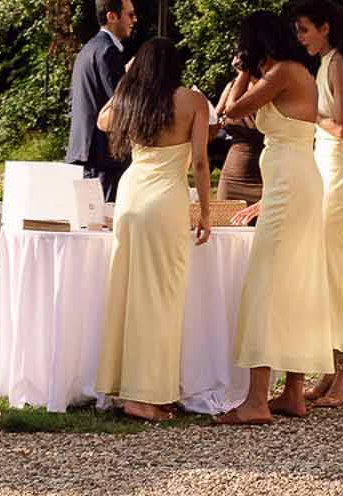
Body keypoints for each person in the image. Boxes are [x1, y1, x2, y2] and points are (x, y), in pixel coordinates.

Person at [214, 10, 332, 424]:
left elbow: (230, 110)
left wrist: (244, 72)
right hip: (293, 180)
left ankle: (256, 401)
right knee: (294, 283)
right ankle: (293, 393)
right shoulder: (293, 70)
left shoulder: (282, 71)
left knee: (267, 283)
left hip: (290, 184)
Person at [94, 36, 212, 421]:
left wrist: (126, 80)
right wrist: (206, 212)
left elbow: (101, 119)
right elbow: (200, 162)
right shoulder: (192, 101)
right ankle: (145, 396)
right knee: (160, 299)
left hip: (131, 197)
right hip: (165, 201)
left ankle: (129, 387)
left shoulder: (131, 100)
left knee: (126, 292)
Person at [292, 0, 343, 406]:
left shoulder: (341, 64)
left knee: (339, 267)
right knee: (324, 267)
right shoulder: (326, 64)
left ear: (326, 28)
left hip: (340, 170)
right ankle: (330, 365)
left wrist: (307, 114)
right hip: (325, 165)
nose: (301, 37)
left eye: (305, 29)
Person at [65, 0, 137, 200]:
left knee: (91, 221)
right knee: (105, 222)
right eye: (130, 14)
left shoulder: (89, 48)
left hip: (86, 149)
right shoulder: (107, 51)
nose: (135, 20)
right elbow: (118, 101)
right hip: (105, 154)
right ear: (112, 16)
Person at [213, 52, 264, 205]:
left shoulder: (269, 86)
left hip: (264, 175)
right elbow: (214, 120)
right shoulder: (232, 86)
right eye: (234, 56)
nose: (235, 61)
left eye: (239, 57)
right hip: (233, 176)